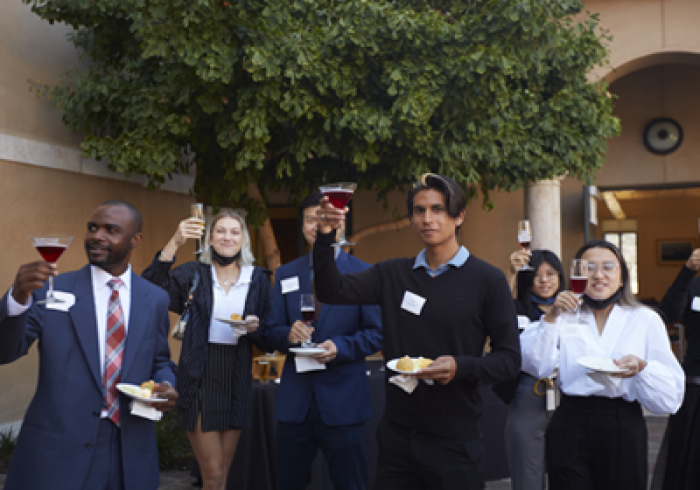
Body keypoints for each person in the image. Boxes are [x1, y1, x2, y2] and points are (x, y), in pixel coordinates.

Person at [313, 173, 521, 490]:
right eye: (419, 210)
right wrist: (325, 236)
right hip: (398, 435)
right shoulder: (392, 274)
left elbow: (508, 360)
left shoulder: (487, 280)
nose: (428, 219)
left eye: (438, 209)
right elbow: (331, 290)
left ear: (459, 215)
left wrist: (460, 366)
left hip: (455, 438)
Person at [0, 200, 178, 490]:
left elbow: (159, 360)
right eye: (93, 228)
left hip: (130, 451)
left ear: (135, 240)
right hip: (58, 452)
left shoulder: (155, 298)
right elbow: (5, 351)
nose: (97, 235)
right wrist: (18, 298)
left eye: (111, 230)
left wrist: (166, 384)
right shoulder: (50, 290)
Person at [520, 239, 685, 490]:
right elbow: (536, 365)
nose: (598, 275)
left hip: (622, 422)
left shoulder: (644, 319)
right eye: (588, 267)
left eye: (608, 267)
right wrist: (551, 317)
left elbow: (670, 397)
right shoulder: (562, 316)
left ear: (622, 278)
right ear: (577, 274)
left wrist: (642, 368)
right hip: (570, 419)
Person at [142, 208, 272, 490]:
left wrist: (255, 328)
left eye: (234, 231)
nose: (228, 237)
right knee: (212, 474)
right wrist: (175, 241)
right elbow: (148, 289)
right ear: (210, 238)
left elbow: (269, 336)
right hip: (198, 376)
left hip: (236, 377)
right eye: (221, 231)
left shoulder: (258, 279)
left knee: (223, 473)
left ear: (243, 240)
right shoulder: (193, 274)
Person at [267, 192, 382, 490]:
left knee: (350, 483)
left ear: (339, 225)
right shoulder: (286, 273)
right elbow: (270, 330)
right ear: (303, 226)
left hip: (343, 401)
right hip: (296, 403)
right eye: (311, 219)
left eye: (325, 218)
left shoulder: (364, 273)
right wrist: (287, 336)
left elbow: (377, 333)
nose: (317, 224)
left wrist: (340, 347)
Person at [493, 248, 565, 490]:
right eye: (536, 275)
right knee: (527, 473)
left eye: (551, 274)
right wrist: (511, 273)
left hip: (568, 395)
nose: (544, 280)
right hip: (527, 392)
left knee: (568, 469)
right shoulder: (515, 309)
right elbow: (495, 314)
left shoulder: (574, 310)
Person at [656, 248, 700, 489]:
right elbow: (667, 313)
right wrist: (687, 271)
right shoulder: (693, 285)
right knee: (686, 468)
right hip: (694, 389)